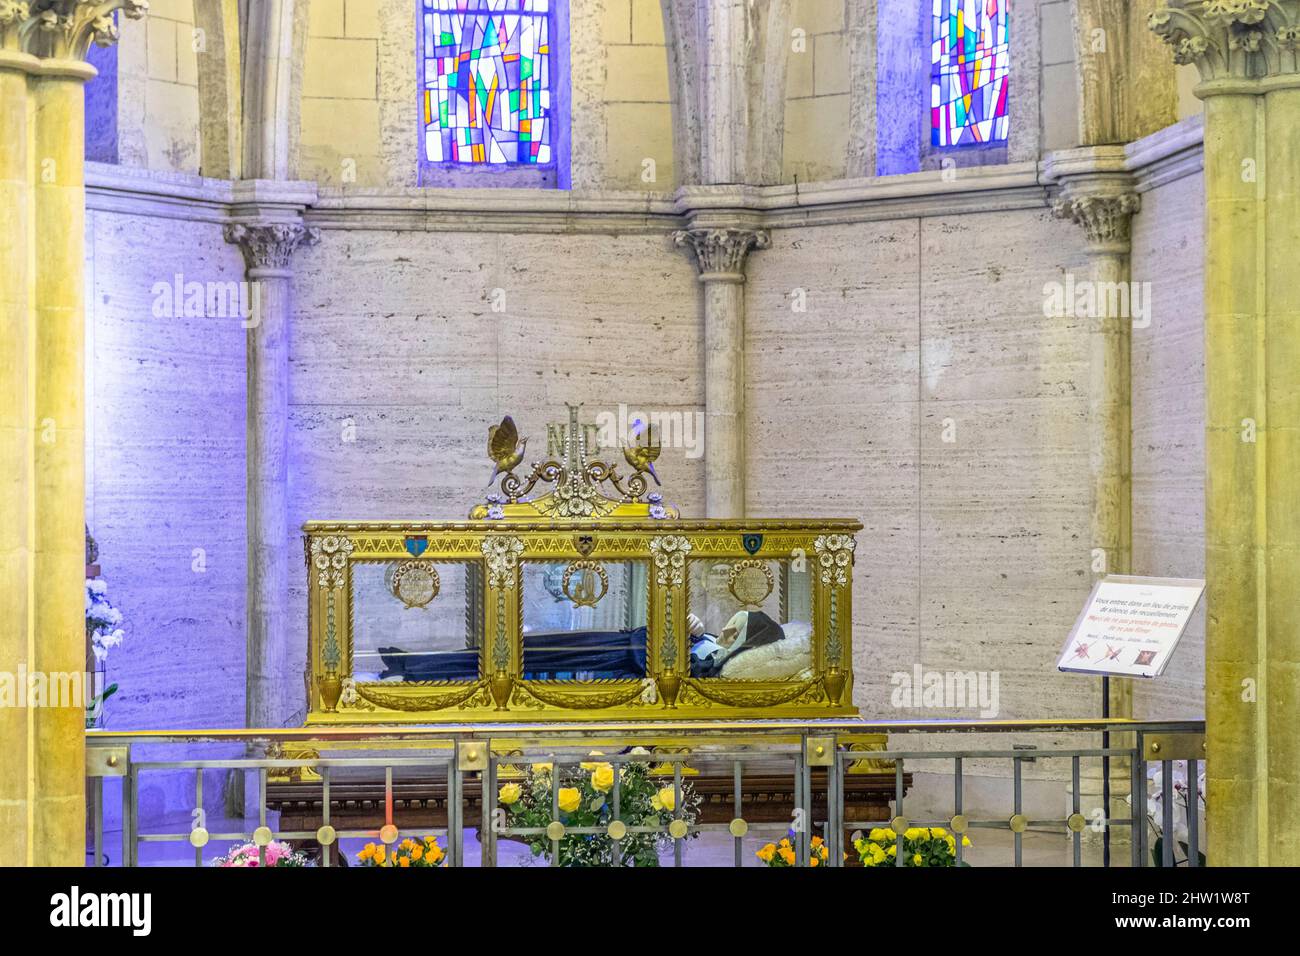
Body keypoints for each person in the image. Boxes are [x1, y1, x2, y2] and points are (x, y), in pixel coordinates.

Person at [688, 609, 786, 678]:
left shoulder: (712, 661)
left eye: (736, 635)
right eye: (734, 621)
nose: (725, 630)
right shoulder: (713, 639)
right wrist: (695, 633)